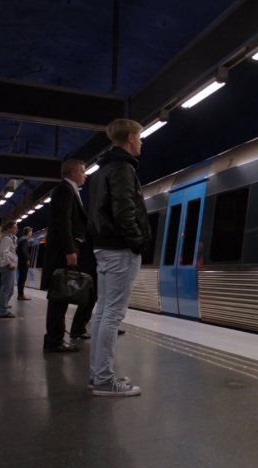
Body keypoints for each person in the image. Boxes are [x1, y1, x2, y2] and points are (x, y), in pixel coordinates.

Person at [87, 118, 150, 396]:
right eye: (139, 136)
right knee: (112, 314)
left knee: (102, 313)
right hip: (119, 249)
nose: (141, 141)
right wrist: (136, 241)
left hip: (104, 247)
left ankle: (98, 374)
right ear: (129, 139)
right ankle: (103, 380)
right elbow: (124, 209)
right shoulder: (123, 169)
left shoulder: (102, 171)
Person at [40, 160, 95, 353]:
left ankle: (55, 338)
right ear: (72, 173)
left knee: (60, 297)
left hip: (64, 251)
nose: (85, 175)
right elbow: (63, 222)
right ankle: (54, 340)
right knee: (59, 297)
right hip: (63, 253)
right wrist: (70, 250)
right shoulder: (65, 190)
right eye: (82, 171)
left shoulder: (69, 191)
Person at [0, 222, 18, 318]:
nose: (16, 229)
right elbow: (3, 252)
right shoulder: (7, 239)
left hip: (8, 266)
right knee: (6, 289)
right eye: (15, 227)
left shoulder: (9, 238)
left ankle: (3, 306)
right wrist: (10, 263)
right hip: (7, 266)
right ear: (9, 229)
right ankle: (2, 310)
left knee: (10, 289)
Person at [16, 226, 32, 300]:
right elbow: (24, 250)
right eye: (31, 232)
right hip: (23, 262)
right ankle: (21, 295)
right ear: (29, 232)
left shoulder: (21, 239)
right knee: (22, 278)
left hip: (20, 261)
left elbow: (18, 250)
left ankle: (20, 294)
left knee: (21, 278)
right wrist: (27, 259)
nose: (31, 233)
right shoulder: (25, 240)